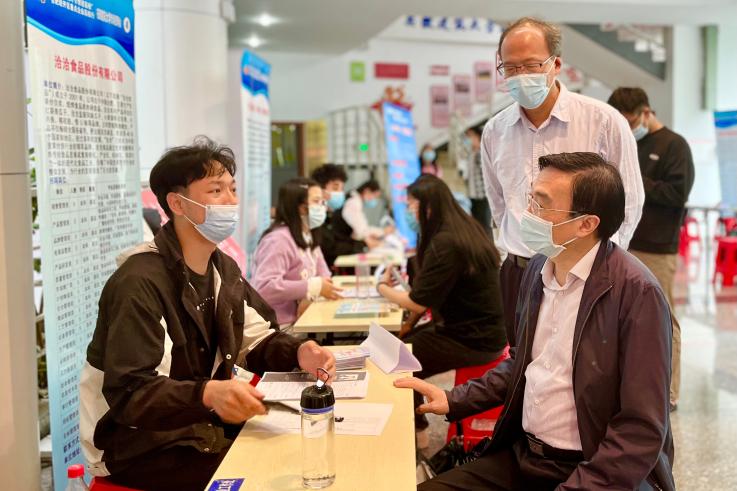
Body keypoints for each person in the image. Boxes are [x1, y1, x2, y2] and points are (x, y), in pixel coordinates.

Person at [397, 152, 674, 491]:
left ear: (586, 224)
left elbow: (641, 428)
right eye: (530, 199)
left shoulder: (636, 292)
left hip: (591, 468)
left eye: (541, 204)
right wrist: (455, 399)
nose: (528, 214)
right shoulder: (537, 269)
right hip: (525, 455)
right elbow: (522, 363)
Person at [79, 138, 336, 491]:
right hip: (140, 447)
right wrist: (209, 394)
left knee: (305, 453)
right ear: (177, 203)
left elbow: (255, 338)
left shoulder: (222, 268)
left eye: (233, 189)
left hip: (200, 428)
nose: (230, 201)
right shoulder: (139, 282)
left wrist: (300, 351)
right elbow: (133, 392)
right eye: (216, 190)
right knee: (275, 473)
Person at [482, 17, 644, 346]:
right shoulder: (495, 131)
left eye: (531, 65)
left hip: (584, 273)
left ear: (556, 64)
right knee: (520, 362)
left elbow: (629, 200)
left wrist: (602, 265)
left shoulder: (603, 121)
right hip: (519, 271)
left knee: (584, 364)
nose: (520, 75)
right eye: (510, 68)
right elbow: (499, 204)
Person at [376, 174, 507, 446]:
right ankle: (415, 428)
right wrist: (408, 325)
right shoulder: (465, 228)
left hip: (473, 339)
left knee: (396, 359)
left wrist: (382, 288)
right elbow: (428, 297)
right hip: (482, 331)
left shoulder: (445, 243)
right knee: (399, 344)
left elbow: (417, 301)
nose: (409, 212)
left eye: (411, 205)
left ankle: (417, 435)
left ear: (428, 207)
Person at [608, 87, 695, 411]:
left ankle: (668, 392)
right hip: (623, 242)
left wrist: (634, 179)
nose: (628, 128)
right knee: (624, 319)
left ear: (646, 113)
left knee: (663, 318)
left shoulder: (674, 145)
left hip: (657, 247)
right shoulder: (628, 143)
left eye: (631, 121)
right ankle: (631, 388)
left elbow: (677, 195)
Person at [251, 177, 342, 326]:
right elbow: (264, 288)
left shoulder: (308, 235)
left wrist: (310, 295)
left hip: (304, 319)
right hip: (279, 326)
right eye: (317, 201)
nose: (323, 207)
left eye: (322, 202)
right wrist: (311, 287)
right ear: (299, 206)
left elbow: (324, 276)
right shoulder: (278, 240)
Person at [310, 163, 366, 267]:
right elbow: (329, 248)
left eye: (342, 189)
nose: (340, 193)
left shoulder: (330, 215)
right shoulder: (314, 218)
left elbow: (337, 239)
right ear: (320, 189)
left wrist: (362, 243)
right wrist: (361, 244)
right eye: (335, 188)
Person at [334, 179, 392, 249]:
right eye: (375, 196)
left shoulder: (355, 200)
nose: (374, 200)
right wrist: (382, 231)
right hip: (341, 244)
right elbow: (361, 231)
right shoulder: (353, 202)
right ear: (367, 191)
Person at [464, 126, 492, 237]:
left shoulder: (481, 153)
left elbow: (488, 174)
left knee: (484, 225)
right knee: (476, 224)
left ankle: (488, 245)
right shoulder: (471, 154)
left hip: (482, 196)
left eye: (470, 136)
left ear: (478, 137)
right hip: (473, 195)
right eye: (466, 137)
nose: (467, 139)